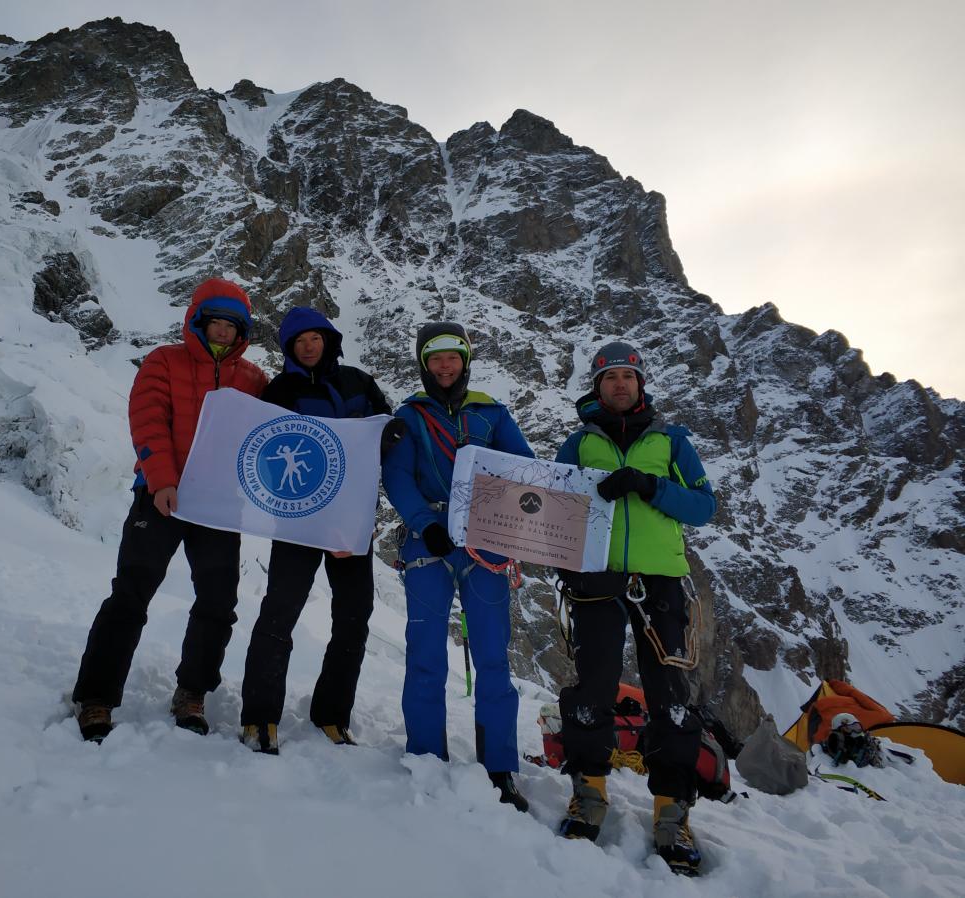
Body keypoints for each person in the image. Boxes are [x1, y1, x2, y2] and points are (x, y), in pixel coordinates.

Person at [72, 278, 268, 742]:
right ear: (199, 322)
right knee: (131, 594)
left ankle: (192, 692)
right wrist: (161, 480)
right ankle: (96, 695)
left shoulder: (254, 379)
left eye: (231, 326)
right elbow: (147, 418)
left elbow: (274, 431)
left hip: (218, 507)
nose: (222, 332)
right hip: (161, 496)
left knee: (218, 603)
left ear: (242, 332)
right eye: (216, 323)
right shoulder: (165, 361)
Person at [553, 341, 716, 875]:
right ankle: (589, 795)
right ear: (596, 388)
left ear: (640, 384)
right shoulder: (578, 444)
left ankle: (673, 813)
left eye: (627, 376)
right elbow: (554, 507)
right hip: (596, 576)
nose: (619, 385)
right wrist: (564, 562)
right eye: (609, 378)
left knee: (670, 695)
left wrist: (651, 486)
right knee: (592, 685)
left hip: (661, 580)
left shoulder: (672, 442)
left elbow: (704, 506)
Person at [381, 322, 534, 812]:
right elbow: (398, 475)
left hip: (484, 547)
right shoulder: (410, 416)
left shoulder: (492, 414)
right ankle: (426, 754)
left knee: (492, 657)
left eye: (452, 357)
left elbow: (524, 469)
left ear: (465, 361)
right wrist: (426, 522)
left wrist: (496, 521)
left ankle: (499, 767)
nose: (444, 366)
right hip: (429, 546)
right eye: (435, 358)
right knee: (424, 653)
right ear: (424, 364)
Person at [238, 306, 394, 754]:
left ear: (329, 341)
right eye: (299, 341)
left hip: (351, 521)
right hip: (298, 518)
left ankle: (332, 715)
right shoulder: (279, 390)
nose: (309, 346)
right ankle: (259, 715)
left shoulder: (358, 382)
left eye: (316, 338)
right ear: (289, 348)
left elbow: (385, 431)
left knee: (353, 618)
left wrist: (388, 438)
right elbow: (262, 450)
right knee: (279, 612)